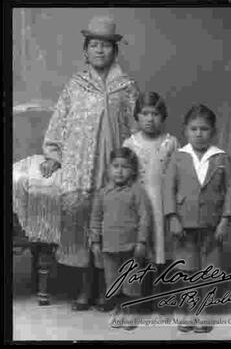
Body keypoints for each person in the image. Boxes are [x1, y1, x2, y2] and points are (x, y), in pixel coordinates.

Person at [13, 16, 139, 310]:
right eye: (94, 45)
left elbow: (135, 127)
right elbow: (60, 122)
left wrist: (138, 162)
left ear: (115, 51)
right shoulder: (75, 85)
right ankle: (84, 289)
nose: (99, 51)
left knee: (111, 226)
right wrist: (54, 156)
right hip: (81, 165)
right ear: (85, 51)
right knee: (83, 225)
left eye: (105, 46)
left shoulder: (125, 87)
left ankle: (108, 290)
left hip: (113, 167)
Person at [164, 104, 231, 333]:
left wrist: (226, 220)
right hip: (184, 226)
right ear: (185, 131)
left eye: (204, 129)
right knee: (187, 270)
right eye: (194, 128)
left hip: (213, 226)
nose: (198, 133)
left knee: (210, 270)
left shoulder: (222, 159)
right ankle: (189, 309)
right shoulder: (178, 157)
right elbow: (168, 190)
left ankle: (204, 311)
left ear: (213, 132)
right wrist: (172, 217)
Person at [123, 92, 179, 313]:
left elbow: (177, 175)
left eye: (155, 114)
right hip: (140, 205)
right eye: (145, 113)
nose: (150, 119)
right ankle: (145, 302)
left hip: (164, 205)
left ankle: (165, 300)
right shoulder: (131, 143)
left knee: (164, 253)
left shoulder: (171, 142)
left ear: (162, 116)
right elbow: (125, 175)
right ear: (137, 116)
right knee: (143, 254)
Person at [90, 147, 152, 330]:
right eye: (115, 166)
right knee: (113, 281)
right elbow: (95, 218)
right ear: (108, 168)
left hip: (131, 247)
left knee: (131, 282)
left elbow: (145, 218)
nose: (119, 170)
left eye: (125, 167)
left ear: (133, 170)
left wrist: (141, 241)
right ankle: (119, 308)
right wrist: (95, 241)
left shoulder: (137, 191)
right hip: (109, 247)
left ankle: (131, 312)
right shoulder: (102, 193)